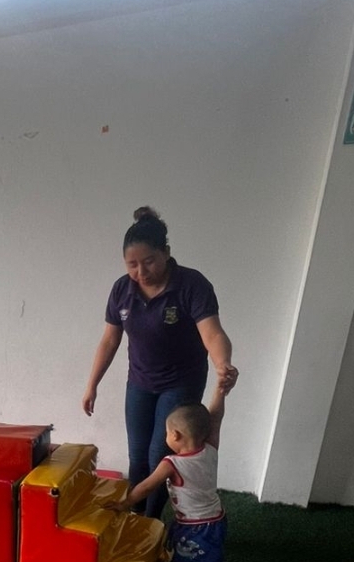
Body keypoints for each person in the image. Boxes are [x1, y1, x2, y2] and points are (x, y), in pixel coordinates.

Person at [82, 206, 238, 518]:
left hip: (181, 383)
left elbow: (212, 333)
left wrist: (223, 363)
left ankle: (150, 522)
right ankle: (134, 517)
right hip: (140, 382)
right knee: (138, 455)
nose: (141, 272)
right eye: (132, 265)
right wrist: (92, 385)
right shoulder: (122, 290)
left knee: (161, 455)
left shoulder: (191, 285)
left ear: (166, 253)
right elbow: (109, 340)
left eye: (149, 261)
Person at [108, 382, 229, 562]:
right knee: (185, 553)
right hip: (216, 519)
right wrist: (220, 391)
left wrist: (124, 503)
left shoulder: (171, 463)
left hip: (195, 527)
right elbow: (215, 417)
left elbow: (146, 487)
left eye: (165, 432)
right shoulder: (210, 448)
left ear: (175, 436)